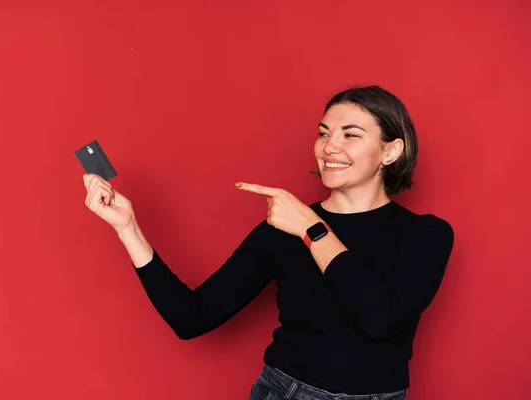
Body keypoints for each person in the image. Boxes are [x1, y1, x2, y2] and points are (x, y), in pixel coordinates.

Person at [82, 85, 454, 400]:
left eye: (350, 134)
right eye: (323, 133)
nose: (328, 147)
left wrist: (312, 227)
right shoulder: (281, 228)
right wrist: (128, 227)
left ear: (391, 151)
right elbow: (191, 318)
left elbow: (380, 320)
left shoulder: (426, 234)